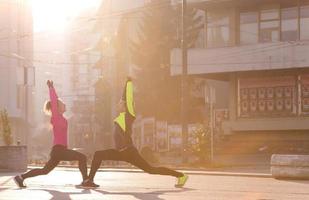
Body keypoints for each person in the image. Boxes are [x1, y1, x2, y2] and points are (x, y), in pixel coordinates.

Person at [81, 77, 188, 188]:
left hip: (128, 151)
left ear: (125, 106)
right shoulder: (121, 117)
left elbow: (128, 98)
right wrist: (125, 86)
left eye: (120, 103)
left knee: (151, 169)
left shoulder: (129, 116)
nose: (118, 104)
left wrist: (129, 83)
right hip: (121, 152)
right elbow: (124, 97)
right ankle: (89, 180)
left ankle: (181, 176)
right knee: (98, 155)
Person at [14, 80, 88, 188]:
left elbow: (57, 102)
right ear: (57, 108)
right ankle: (86, 180)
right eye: (62, 104)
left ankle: (20, 177)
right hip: (59, 150)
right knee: (82, 157)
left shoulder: (63, 118)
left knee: (45, 171)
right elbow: (54, 101)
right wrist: (51, 88)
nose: (65, 104)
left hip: (58, 151)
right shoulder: (56, 117)